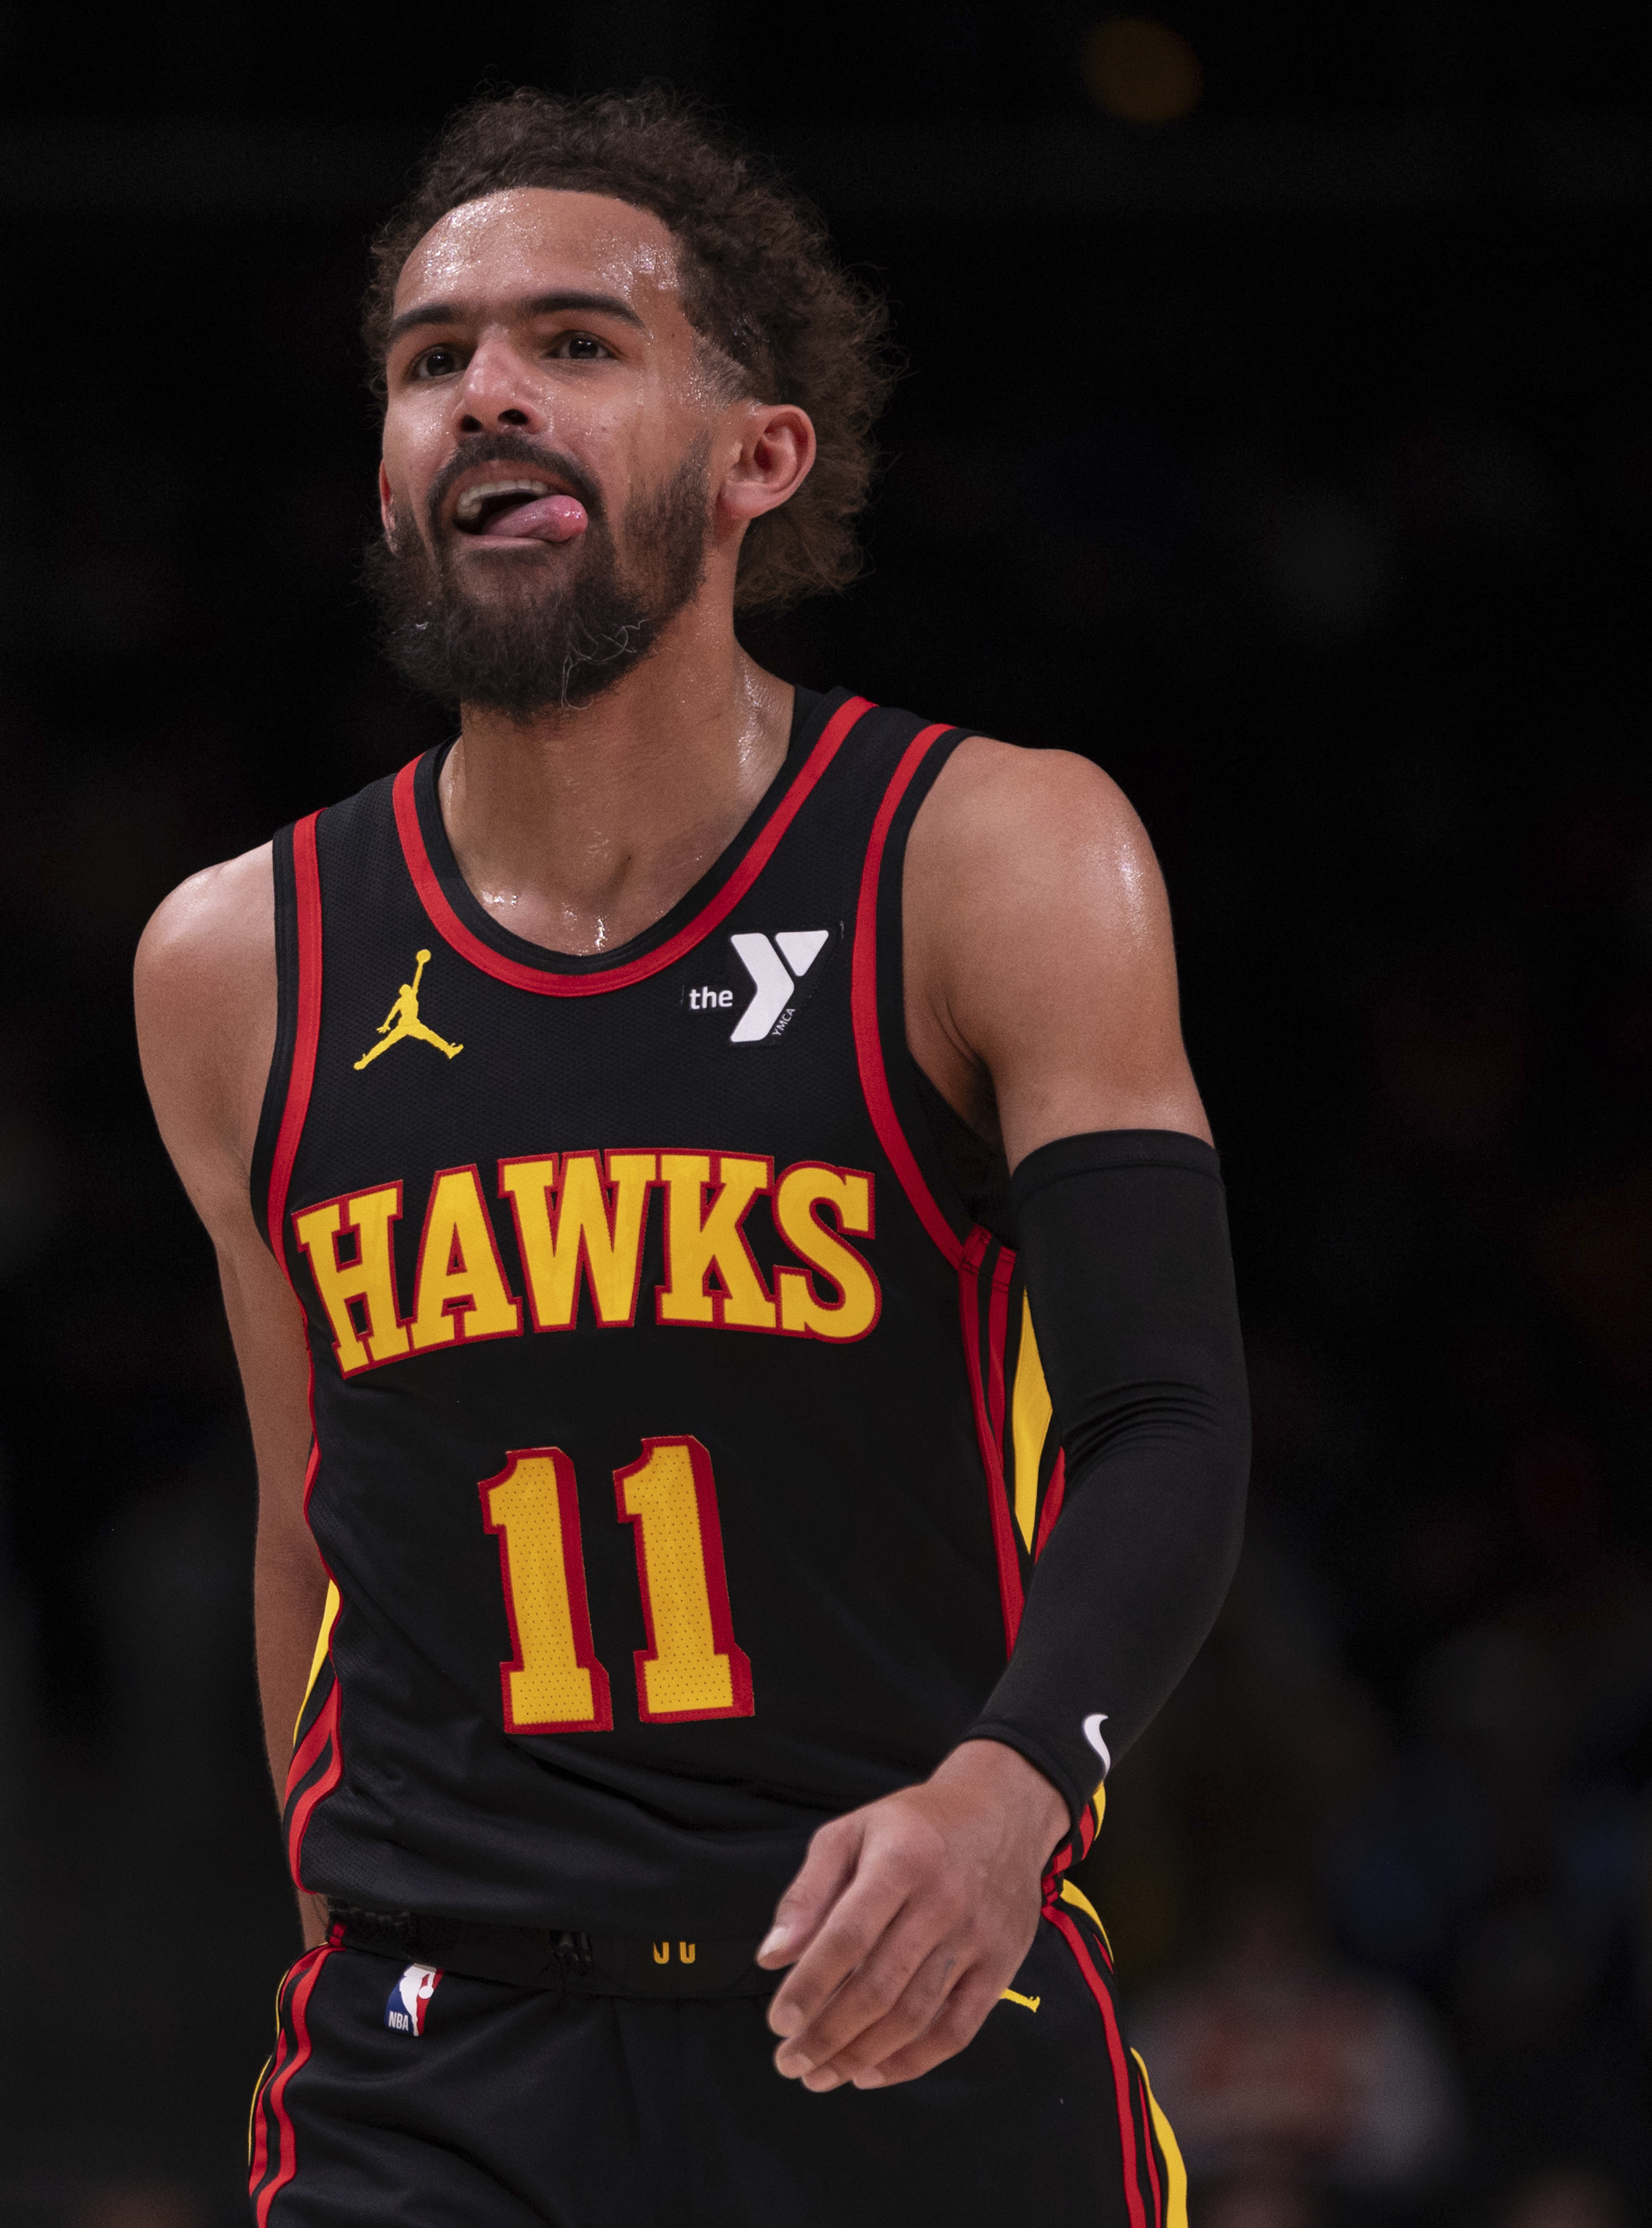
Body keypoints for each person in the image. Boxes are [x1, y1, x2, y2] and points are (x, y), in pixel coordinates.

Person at [132, 89, 1249, 2226]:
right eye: (427, 357)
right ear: (380, 471)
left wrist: (1010, 1796)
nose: (485, 395)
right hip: (439, 2064)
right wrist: (341, 1915)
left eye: (573, 341)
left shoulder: (991, 855)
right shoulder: (236, 960)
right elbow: (308, 1516)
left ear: (757, 456)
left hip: (906, 2002)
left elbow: (1167, 1423)